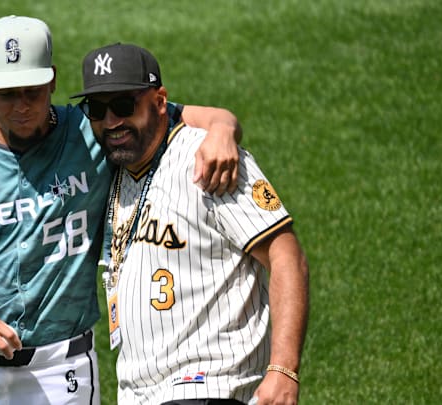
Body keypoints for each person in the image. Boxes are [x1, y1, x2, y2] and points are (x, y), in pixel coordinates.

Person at [0, 16, 242, 405]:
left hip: (63, 373)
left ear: (53, 80)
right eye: (7, 93)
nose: (22, 106)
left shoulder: (91, 131)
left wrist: (223, 130)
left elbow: (188, 115)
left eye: (33, 91)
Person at [72, 43, 309, 405]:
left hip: (210, 383)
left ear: (160, 101)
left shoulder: (212, 161)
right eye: (97, 109)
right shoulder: (112, 167)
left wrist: (283, 369)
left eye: (124, 106)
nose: (111, 121)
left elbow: (285, 254)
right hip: (139, 392)